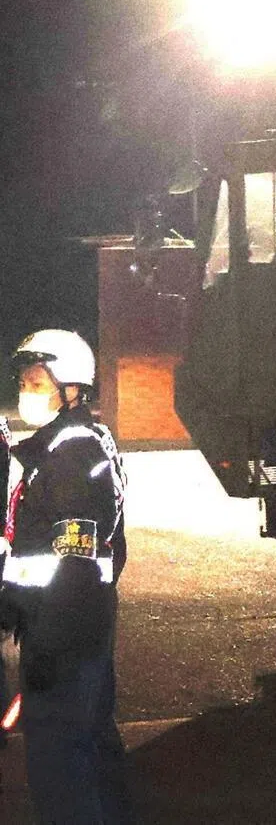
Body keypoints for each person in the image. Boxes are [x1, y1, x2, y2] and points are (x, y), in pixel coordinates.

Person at [3, 329, 130, 824]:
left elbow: (77, 562)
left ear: (72, 387)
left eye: (37, 379)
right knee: (94, 756)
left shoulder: (75, 454)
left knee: (61, 770)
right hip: (70, 634)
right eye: (24, 379)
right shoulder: (57, 448)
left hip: (67, 640)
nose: (26, 389)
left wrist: (52, 644)